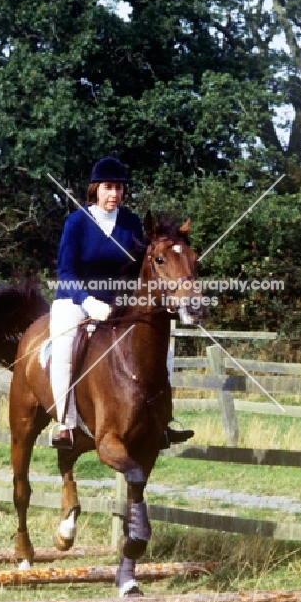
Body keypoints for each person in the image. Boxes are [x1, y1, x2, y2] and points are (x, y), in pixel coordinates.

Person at [49, 156, 193, 450]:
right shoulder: (77, 222)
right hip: (75, 299)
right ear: (95, 189)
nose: (114, 194)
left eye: (119, 188)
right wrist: (87, 301)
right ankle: (66, 423)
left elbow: (144, 266)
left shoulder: (130, 223)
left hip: (117, 302)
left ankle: (163, 421)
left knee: (161, 347)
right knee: (64, 348)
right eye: (108, 187)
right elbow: (65, 271)